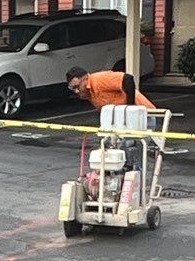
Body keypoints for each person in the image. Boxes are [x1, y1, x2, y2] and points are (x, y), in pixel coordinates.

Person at [66, 67, 156, 201]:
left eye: (78, 87)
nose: (77, 91)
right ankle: (114, 192)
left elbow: (128, 79)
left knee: (132, 155)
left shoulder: (99, 80)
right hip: (120, 123)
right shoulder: (89, 94)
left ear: (85, 78)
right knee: (110, 155)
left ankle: (135, 196)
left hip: (140, 117)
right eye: (73, 89)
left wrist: (130, 107)